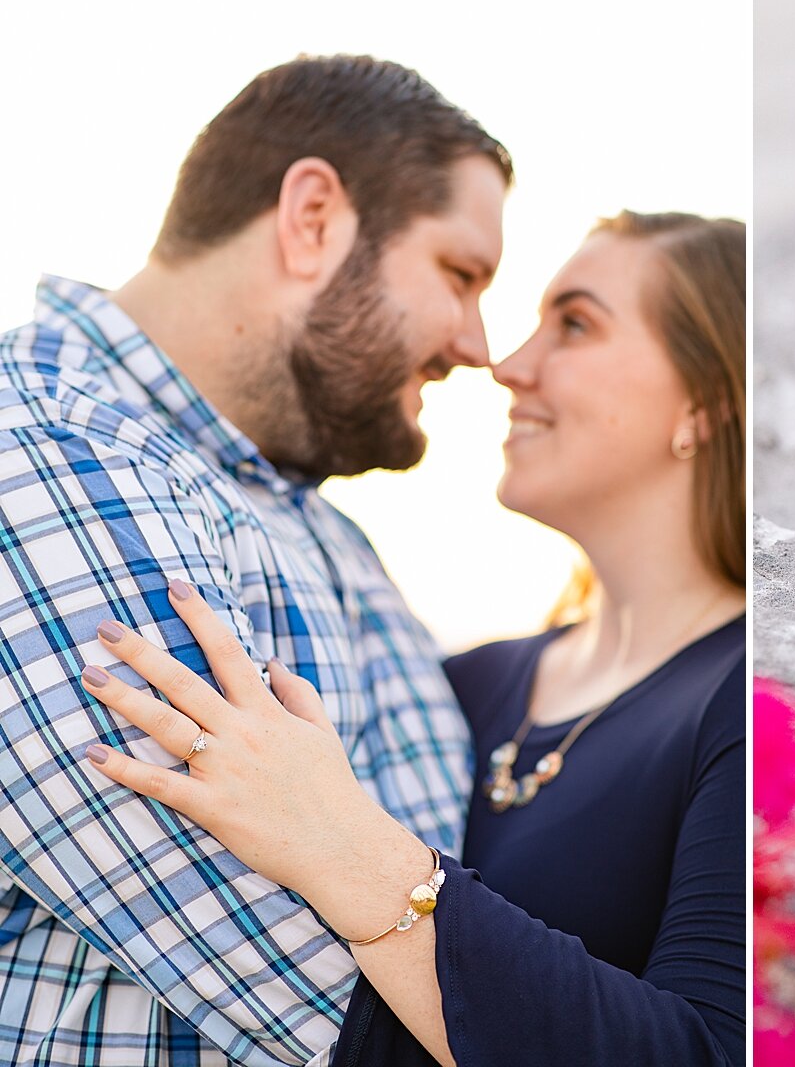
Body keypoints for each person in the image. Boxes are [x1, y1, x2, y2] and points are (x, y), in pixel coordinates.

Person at [77, 211, 747, 1066]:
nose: (509, 365)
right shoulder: (464, 684)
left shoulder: (753, 701)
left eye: (575, 324)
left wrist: (338, 840)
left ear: (708, 398)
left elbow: (715, 1052)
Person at [0, 56, 510, 1065]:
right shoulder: (42, 454)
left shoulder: (318, 529)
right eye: (460, 274)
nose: (480, 344)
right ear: (313, 217)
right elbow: (315, 992)